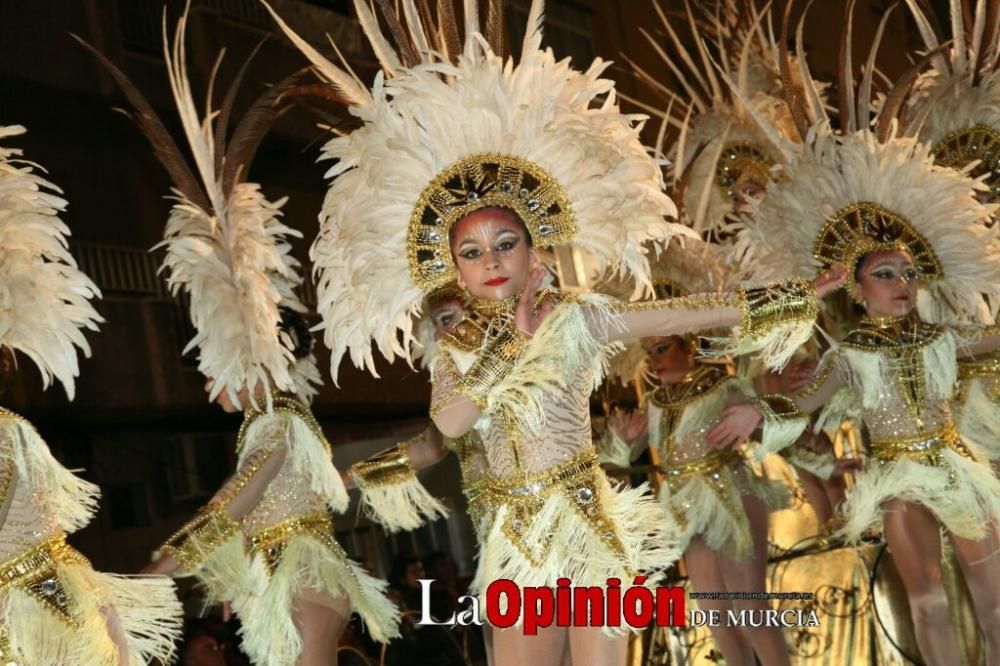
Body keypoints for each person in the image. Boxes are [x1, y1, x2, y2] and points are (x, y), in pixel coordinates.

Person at [266, 2, 843, 662]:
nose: (491, 262)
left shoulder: (579, 317)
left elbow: (688, 314)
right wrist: (511, 342)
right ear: (453, 268)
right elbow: (450, 426)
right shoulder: (456, 344)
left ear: (534, 253)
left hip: (589, 525)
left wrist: (797, 294)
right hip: (518, 541)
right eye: (473, 252)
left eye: (504, 243)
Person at [88, 12, 399, 664]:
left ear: (250, 351)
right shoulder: (281, 419)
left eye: (212, 362)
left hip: (303, 583)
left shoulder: (279, 423)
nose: (207, 381)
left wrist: (150, 575)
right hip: (297, 578)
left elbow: (231, 506)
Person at [716, 24, 1000, 660]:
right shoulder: (850, 356)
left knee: (995, 596)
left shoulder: (945, 338)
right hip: (897, 475)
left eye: (906, 274)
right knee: (926, 603)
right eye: (884, 275)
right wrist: (755, 413)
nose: (900, 285)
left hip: (959, 469)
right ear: (857, 290)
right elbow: (807, 399)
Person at [0, 124, 182, 664]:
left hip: (44, 615)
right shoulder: (12, 427)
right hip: (58, 606)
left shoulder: (7, 430)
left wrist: (165, 565)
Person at [606, 241, 800, 666]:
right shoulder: (656, 402)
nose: (654, 361)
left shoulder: (721, 385)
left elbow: (776, 419)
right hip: (684, 506)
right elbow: (623, 458)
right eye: (649, 351)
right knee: (716, 615)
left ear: (689, 344)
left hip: (731, 492)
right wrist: (624, 441)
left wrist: (760, 413)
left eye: (663, 348)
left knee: (749, 608)